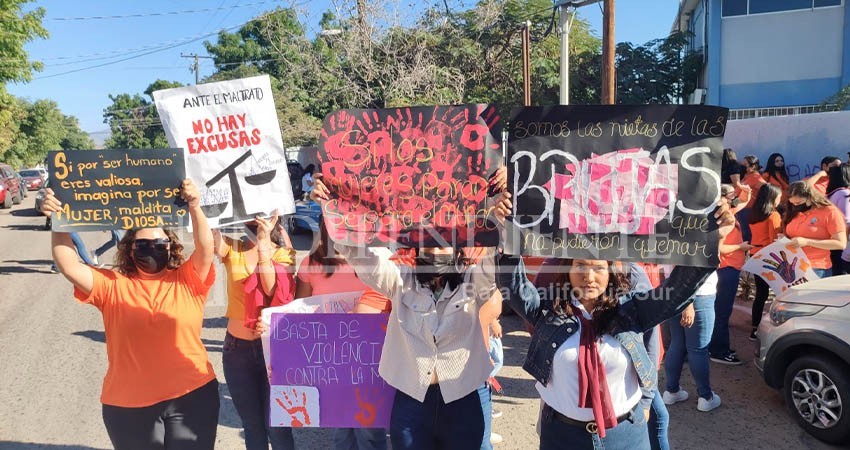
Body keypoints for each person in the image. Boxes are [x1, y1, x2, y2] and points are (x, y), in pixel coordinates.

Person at [495, 201, 732, 450]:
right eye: (580, 265)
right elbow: (514, 286)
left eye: (598, 267)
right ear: (567, 270)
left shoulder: (631, 311)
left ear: (610, 272)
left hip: (625, 436)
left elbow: (676, 293)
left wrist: (711, 242)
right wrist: (508, 232)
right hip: (561, 436)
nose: (588, 276)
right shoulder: (548, 312)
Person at [311, 177, 511, 450]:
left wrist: (498, 220)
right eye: (429, 242)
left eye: (444, 242)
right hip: (413, 401)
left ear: (457, 247)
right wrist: (332, 208)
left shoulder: (472, 281)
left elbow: (490, 267)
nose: (436, 250)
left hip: (465, 396)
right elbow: (360, 256)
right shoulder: (399, 279)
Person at [41, 179, 219, 450]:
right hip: (129, 406)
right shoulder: (112, 285)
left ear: (170, 246)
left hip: (192, 396)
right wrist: (58, 220)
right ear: (130, 249)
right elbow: (68, 265)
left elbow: (206, 247)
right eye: (143, 243)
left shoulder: (188, 280)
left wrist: (194, 206)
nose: (152, 247)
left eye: (159, 243)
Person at [294, 221, 391, 450]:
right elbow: (299, 313)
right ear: (325, 227)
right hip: (332, 363)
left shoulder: (376, 262)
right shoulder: (311, 264)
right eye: (336, 221)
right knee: (340, 431)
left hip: (369, 363)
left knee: (370, 432)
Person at [214, 212, 298, 450]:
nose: (255, 218)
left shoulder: (284, 253)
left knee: (278, 427)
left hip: (274, 351)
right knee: (252, 427)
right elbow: (209, 237)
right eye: (250, 214)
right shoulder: (234, 249)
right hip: (237, 350)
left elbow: (271, 289)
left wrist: (263, 243)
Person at [708, 185, 750, 365]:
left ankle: (714, 346)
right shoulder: (724, 219)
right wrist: (740, 247)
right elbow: (719, 248)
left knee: (720, 311)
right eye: (732, 194)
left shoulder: (729, 212)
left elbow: (745, 200)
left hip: (730, 268)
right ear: (722, 198)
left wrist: (743, 188)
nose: (736, 197)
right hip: (725, 269)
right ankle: (719, 350)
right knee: (721, 312)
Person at [784, 181, 848, 279]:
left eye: (798, 203)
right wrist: (784, 239)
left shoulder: (829, 212)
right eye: (792, 203)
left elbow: (841, 243)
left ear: (810, 197)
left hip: (816, 267)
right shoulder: (795, 212)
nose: (795, 206)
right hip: (793, 265)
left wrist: (807, 242)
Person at [746, 184, 783, 340]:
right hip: (770, 257)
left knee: (761, 294)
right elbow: (775, 240)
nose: (780, 200)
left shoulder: (754, 213)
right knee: (780, 293)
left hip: (755, 254)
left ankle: (754, 329)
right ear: (773, 198)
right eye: (779, 197)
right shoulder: (773, 215)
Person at [826, 164, 850, 275]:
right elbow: (847, 221)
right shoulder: (844, 194)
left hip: (835, 241)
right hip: (843, 244)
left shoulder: (833, 194)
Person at [738, 155, 766, 242]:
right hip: (743, 208)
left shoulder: (755, 177)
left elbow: (737, 190)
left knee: (746, 234)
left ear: (753, 166)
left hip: (748, 209)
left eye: (745, 164)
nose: (742, 166)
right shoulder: (747, 176)